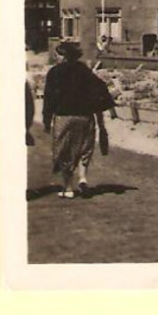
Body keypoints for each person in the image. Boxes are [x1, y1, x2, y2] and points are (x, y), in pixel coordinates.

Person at [42, 41, 116, 199]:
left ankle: (68, 188)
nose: (55, 57)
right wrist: (103, 113)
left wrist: (46, 120)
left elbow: (49, 98)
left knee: (64, 151)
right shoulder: (84, 70)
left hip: (64, 116)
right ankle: (83, 178)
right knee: (84, 148)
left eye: (57, 54)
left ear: (62, 56)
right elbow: (100, 87)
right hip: (85, 116)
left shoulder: (54, 72)